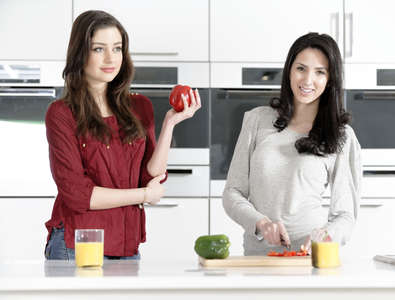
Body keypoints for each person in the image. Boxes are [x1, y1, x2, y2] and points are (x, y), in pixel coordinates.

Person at [44, 10, 201, 260]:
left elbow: (149, 175)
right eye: (98, 49)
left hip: (127, 245)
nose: (110, 58)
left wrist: (170, 124)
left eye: (117, 48)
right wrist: (144, 196)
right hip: (78, 245)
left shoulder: (139, 107)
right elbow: (77, 194)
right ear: (80, 52)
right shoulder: (62, 113)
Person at [222, 33, 361, 255]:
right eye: (301, 68)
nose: (307, 80)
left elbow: (346, 215)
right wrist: (261, 223)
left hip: (309, 260)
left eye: (319, 72)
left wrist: (325, 236)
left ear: (330, 79)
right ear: (289, 70)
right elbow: (232, 193)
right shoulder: (257, 120)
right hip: (257, 261)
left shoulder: (341, 136)